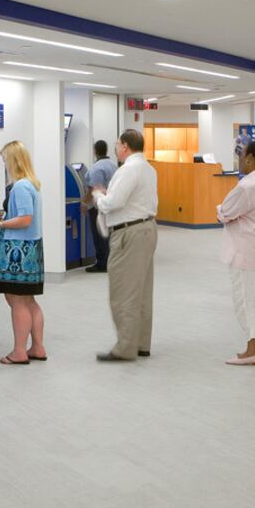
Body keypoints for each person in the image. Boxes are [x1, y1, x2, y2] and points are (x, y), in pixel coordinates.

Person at [91, 129, 159, 361]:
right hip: (146, 228)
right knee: (142, 291)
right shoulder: (148, 168)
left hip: (129, 233)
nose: (115, 147)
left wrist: (98, 196)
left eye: (117, 143)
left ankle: (125, 347)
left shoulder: (129, 169)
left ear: (125, 146)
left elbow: (113, 203)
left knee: (123, 292)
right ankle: (141, 343)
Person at [0, 141, 47, 365]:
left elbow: (25, 219)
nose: (4, 165)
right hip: (32, 249)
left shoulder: (20, 187)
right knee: (29, 300)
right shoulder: (32, 184)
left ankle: (19, 352)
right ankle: (37, 347)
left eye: (4, 160)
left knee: (17, 300)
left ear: (13, 161)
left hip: (17, 251)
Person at [217, 140, 255, 366]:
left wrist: (220, 212)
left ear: (250, 158)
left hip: (245, 250)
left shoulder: (247, 186)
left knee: (246, 299)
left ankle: (252, 351)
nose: (239, 160)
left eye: (241, 156)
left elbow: (226, 211)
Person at [84, 140, 117, 273]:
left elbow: (93, 189)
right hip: (111, 205)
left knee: (99, 235)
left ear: (95, 151)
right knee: (109, 234)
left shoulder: (96, 168)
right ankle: (110, 261)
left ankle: (102, 263)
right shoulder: (114, 165)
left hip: (98, 207)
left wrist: (84, 203)